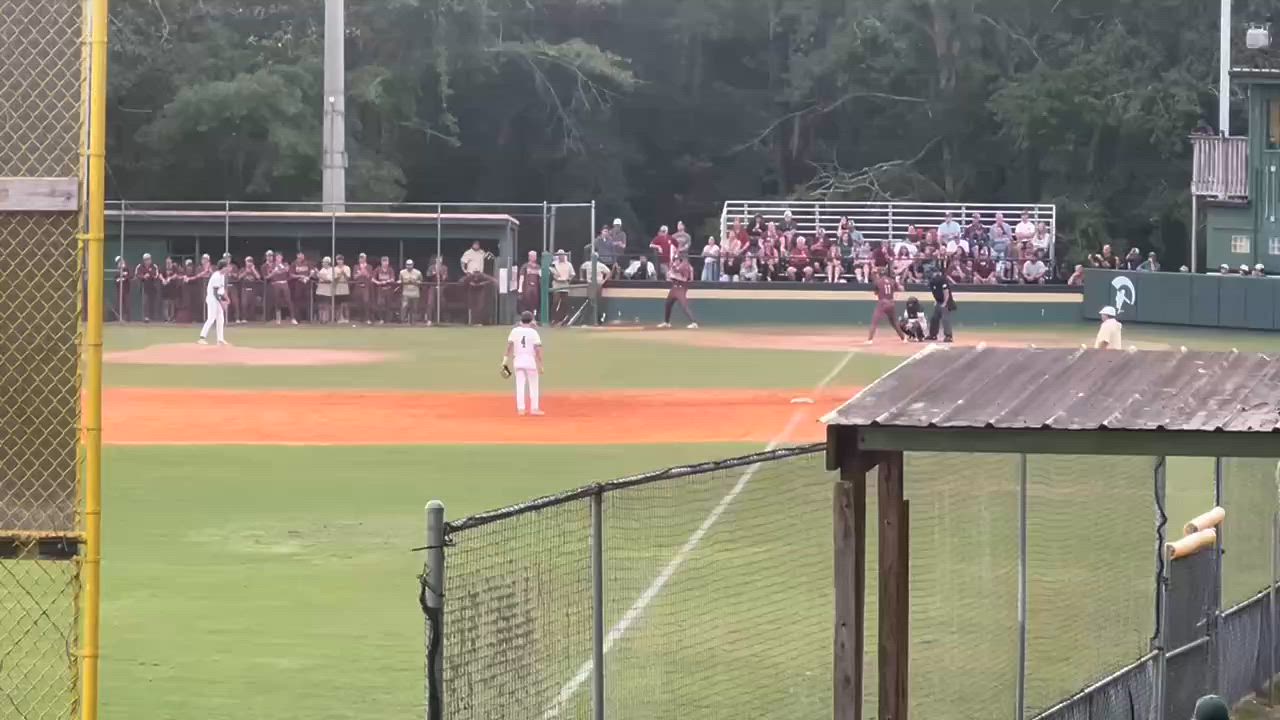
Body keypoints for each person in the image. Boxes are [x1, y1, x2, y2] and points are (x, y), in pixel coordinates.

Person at [504, 311, 545, 417]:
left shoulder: (514, 331)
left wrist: (505, 360)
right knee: (533, 385)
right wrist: (540, 364)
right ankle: (534, 408)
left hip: (517, 361)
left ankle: (521, 409)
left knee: (520, 385)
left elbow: (509, 346)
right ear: (531, 320)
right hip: (530, 361)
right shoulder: (533, 332)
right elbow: (537, 349)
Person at [658, 253, 698, 329]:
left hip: (681, 288)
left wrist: (674, 275)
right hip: (674, 288)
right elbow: (670, 277)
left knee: (684, 306)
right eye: (675, 260)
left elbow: (685, 279)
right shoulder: (675, 267)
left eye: (677, 260)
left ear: (680, 260)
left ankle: (694, 322)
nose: (675, 261)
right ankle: (666, 322)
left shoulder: (684, 267)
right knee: (668, 304)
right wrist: (670, 275)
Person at [866, 269, 906, 343]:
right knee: (894, 322)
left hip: (882, 302)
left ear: (880, 274)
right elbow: (902, 289)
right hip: (891, 302)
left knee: (874, 322)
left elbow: (875, 293)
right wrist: (898, 282)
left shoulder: (878, 281)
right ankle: (903, 338)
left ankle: (869, 340)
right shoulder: (892, 281)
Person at [198, 259, 230, 346]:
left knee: (221, 318)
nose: (228, 268)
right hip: (212, 299)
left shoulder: (222, 275)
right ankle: (202, 338)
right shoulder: (216, 276)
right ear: (223, 267)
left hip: (217, 298)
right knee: (211, 318)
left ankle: (220, 339)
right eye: (227, 266)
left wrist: (227, 299)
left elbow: (222, 290)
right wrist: (222, 303)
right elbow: (215, 292)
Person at [927, 270, 954, 343]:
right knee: (934, 318)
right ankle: (933, 335)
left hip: (946, 301)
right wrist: (936, 301)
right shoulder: (932, 282)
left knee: (945, 319)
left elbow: (946, 292)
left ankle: (948, 336)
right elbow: (935, 292)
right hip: (938, 302)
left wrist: (945, 303)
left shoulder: (942, 280)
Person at [135, 253, 161, 322]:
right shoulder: (140, 266)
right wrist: (143, 276)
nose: (148, 260)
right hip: (144, 287)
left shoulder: (154, 266)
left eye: (149, 259)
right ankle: (146, 317)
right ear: (144, 260)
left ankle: (153, 317)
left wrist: (149, 275)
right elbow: (137, 274)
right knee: (145, 302)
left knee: (153, 303)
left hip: (153, 287)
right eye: (146, 259)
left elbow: (156, 275)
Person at [518, 250, 541, 318]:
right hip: (527, 287)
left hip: (536, 288)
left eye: (535, 256)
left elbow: (541, 276)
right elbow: (521, 277)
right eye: (532, 256)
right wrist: (520, 288)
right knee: (526, 301)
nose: (534, 257)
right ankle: (526, 317)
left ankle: (534, 317)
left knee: (535, 302)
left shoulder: (538, 267)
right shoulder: (525, 266)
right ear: (529, 257)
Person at [400, 259, 424, 324]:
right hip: (406, 293)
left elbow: (421, 281)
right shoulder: (402, 272)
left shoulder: (418, 272)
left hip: (415, 293)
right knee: (404, 306)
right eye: (408, 265)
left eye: (410, 265)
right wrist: (400, 281)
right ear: (405, 265)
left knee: (415, 307)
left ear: (413, 265)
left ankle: (413, 321)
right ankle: (402, 321)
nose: (409, 266)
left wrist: (417, 282)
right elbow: (400, 280)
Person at [114, 256, 131, 322]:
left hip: (126, 290)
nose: (121, 262)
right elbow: (116, 280)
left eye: (121, 260)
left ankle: (127, 319)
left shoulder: (127, 269)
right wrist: (121, 279)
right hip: (119, 290)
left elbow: (129, 276)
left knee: (127, 304)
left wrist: (124, 278)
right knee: (119, 305)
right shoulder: (117, 271)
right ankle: (119, 318)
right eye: (119, 262)